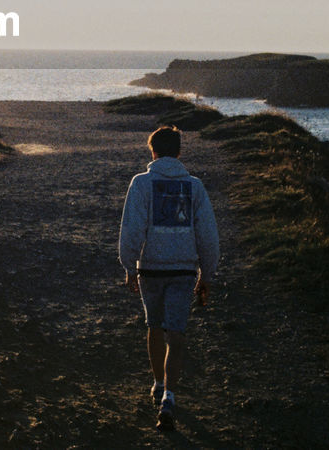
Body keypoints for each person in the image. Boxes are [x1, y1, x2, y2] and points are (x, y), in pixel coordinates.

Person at [118, 124, 219, 430]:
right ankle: (170, 397)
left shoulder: (141, 183)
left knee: (154, 327)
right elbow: (208, 234)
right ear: (179, 152)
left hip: (151, 268)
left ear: (153, 152)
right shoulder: (195, 186)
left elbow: (132, 228)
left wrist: (129, 266)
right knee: (177, 334)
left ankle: (157, 384)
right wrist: (207, 273)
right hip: (184, 270)